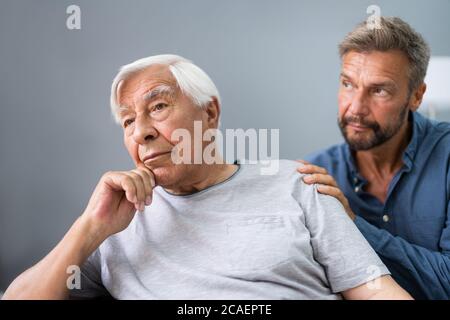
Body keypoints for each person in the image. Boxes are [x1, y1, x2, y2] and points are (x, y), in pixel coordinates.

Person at [3, 54, 410, 300]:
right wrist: (88, 228)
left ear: (209, 114)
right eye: (127, 121)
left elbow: (375, 290)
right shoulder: (115, 220)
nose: (140, 130)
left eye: (157, 107)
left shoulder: (297, 185)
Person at [300, 17, 450, 299]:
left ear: (416, 96)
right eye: (348, 84)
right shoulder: (316, 175)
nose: (355, 108)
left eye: (379, 90)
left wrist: (352, 225)